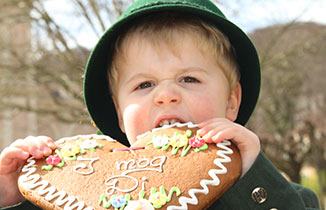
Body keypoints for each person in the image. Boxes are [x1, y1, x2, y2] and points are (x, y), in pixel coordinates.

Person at [0, 0, 321, 209]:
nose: (165, 95)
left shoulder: (278, 194)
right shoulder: (82, 198)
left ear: (231, 101)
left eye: (189, 79)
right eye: (144, 84)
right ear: (119, 115)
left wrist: (252, 175)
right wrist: (15, 198)